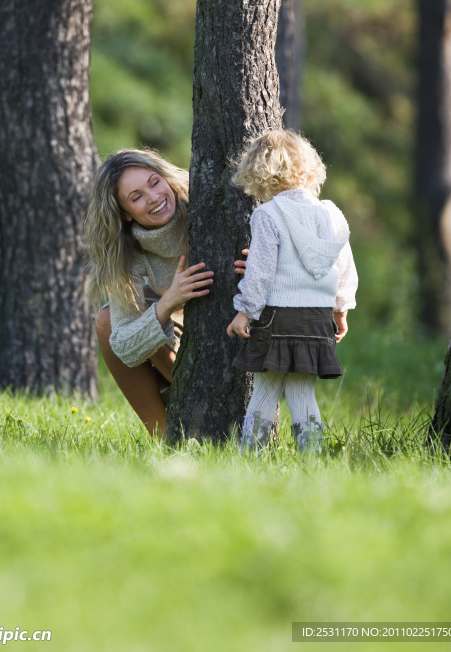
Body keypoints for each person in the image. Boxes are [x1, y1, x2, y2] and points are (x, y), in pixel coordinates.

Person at [226, 129, 358, 453]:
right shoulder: (333, 215)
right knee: (302, 395)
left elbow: (260, 273)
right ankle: (311, 464)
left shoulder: (268, 214)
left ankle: (250, 460)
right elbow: (345, 270)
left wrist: (245, 311)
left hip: (276, 318)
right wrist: (340, 311)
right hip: (317, 321)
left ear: (259, 171)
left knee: (264, 393)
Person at [84, 148, 215, 437]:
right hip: (180, 352)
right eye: (137, 197)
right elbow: (124, 348)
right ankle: (164, 438)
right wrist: (167, 303)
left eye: (154, 182)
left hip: (235, 336)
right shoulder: (127, 254)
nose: (154, 197)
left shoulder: (203, 199)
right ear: (125, 214)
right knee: (107, 321)